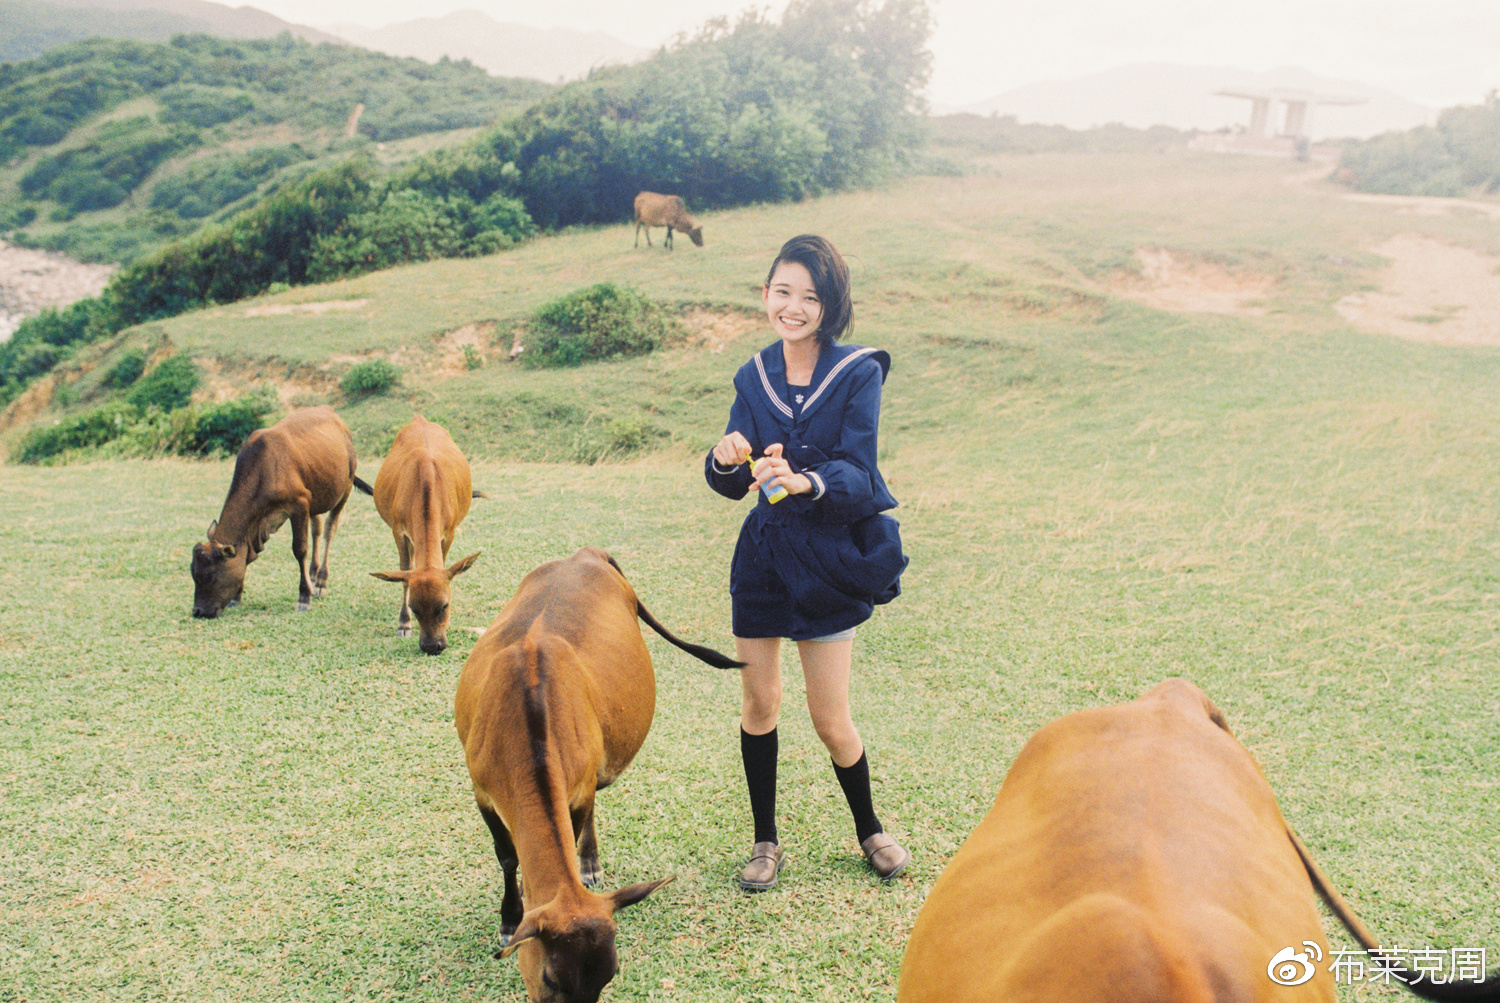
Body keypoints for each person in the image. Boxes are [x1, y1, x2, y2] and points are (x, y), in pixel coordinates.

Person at [704, 233, 910, 892]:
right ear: (766, 295)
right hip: (763, 558)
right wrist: (725, 456)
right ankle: (765, 841)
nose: (793, 306)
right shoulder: (752, 376)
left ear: (831, 306)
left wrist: (803, 481)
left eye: (810, 297)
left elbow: (859, 470)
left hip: (826, 559)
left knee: (830, 717)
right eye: (783, 291)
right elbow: (733, 482)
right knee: (759, 702)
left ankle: (870, 828)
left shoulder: (858, 373)